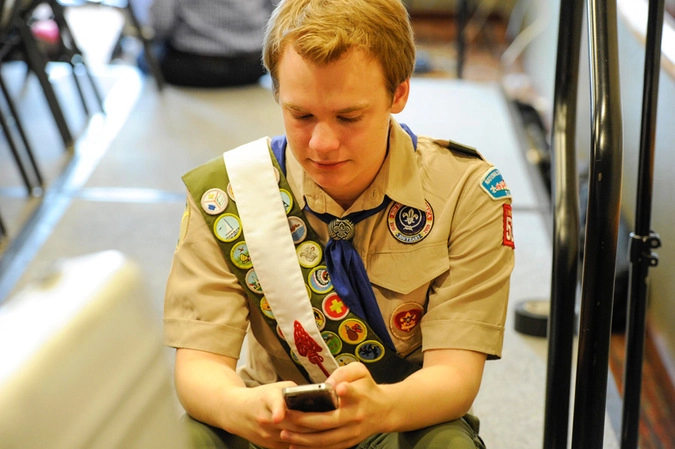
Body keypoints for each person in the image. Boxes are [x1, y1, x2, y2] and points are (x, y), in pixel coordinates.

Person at [164, 0, 515, 447]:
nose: (322, 144)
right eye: (301, 115)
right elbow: (199, 369)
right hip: (271, 416)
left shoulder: (465, 191)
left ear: (399, 93)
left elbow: (455, 377)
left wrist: (381, 409)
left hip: (400, 414)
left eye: (349, 117)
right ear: (276, 93)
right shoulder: (228, 195)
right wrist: (243, 408)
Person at [144, 0, 277, 87]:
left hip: (191, 68)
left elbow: (161, 25)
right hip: (255, 65)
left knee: (145, 55)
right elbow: (280, 11)